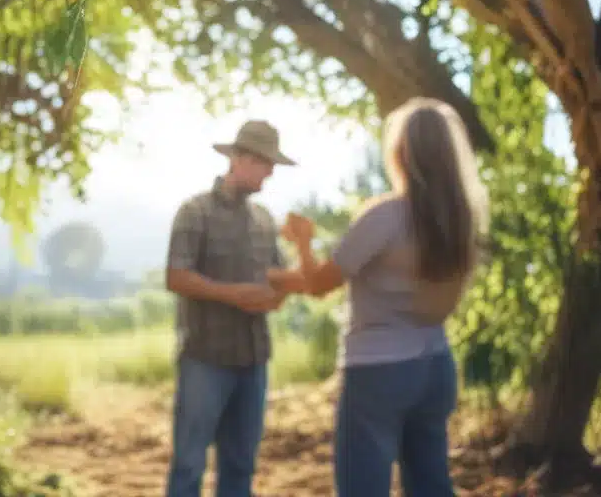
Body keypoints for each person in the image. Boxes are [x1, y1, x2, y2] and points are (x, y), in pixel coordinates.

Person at [267, 98, 488, 497]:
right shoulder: (460, 219)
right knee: (431, 485)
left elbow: (319, 284)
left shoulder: (385, 216)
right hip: (436, 366)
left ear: (401, 153)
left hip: (379, 371)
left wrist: (303, 242)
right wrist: (279, 280)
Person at [164, 119, 296, 497]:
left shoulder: (265, 220)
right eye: (265, 162)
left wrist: (281, 291)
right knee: (189, 464)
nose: (271, 171)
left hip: (253, 363)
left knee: (241, 467)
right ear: (238, 158)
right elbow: (176, 276)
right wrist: (234, 294)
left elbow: (281, 280)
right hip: (205, 359)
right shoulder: (195, 212)